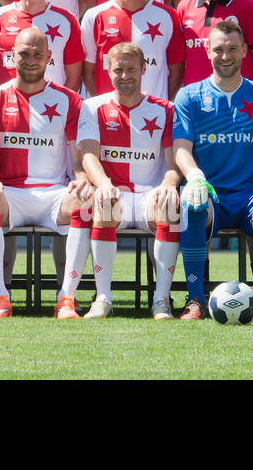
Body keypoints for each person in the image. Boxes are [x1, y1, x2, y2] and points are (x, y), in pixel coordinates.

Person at [172, 20, 253, 321]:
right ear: (207, 52)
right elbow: (181, 148)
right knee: (190, 202)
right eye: (218, 49)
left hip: (249, 197)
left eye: (232, 48)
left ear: (245, 50)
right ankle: (195, 299)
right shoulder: (189, 96)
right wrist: (194, 176)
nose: (225, 55)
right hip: (211, 196)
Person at [0, 28, 87, 319]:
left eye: (38, 55)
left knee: (84, 203)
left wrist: (82, 181)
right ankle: (0, 297)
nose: (31, 60)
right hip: (9, 193)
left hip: (54, 193)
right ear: (12, 57)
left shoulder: (69, 100)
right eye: (24, 54)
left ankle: (67, 299)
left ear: (49, 57)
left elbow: (78, 163)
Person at [66, 43, 180, 320]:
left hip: (149, 196)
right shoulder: (92, 107)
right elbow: (89, 156)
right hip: (115, 194)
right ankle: (103, 298)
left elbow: (173, 165)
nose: (125, 75)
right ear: (108, 70)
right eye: (118, 70)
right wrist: (104, 183)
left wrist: (168, 184)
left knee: (171, 206)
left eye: (131, 69)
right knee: (103, 201)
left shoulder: (165, 109)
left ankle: (161, 299)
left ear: (144, 69)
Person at [80, 0, 184, 100]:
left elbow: (176, 72)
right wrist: (105, 107)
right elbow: (88, 73)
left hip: (153, 119)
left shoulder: (168, 16)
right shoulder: (93, 17)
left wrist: (158, 107)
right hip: (109, 118)